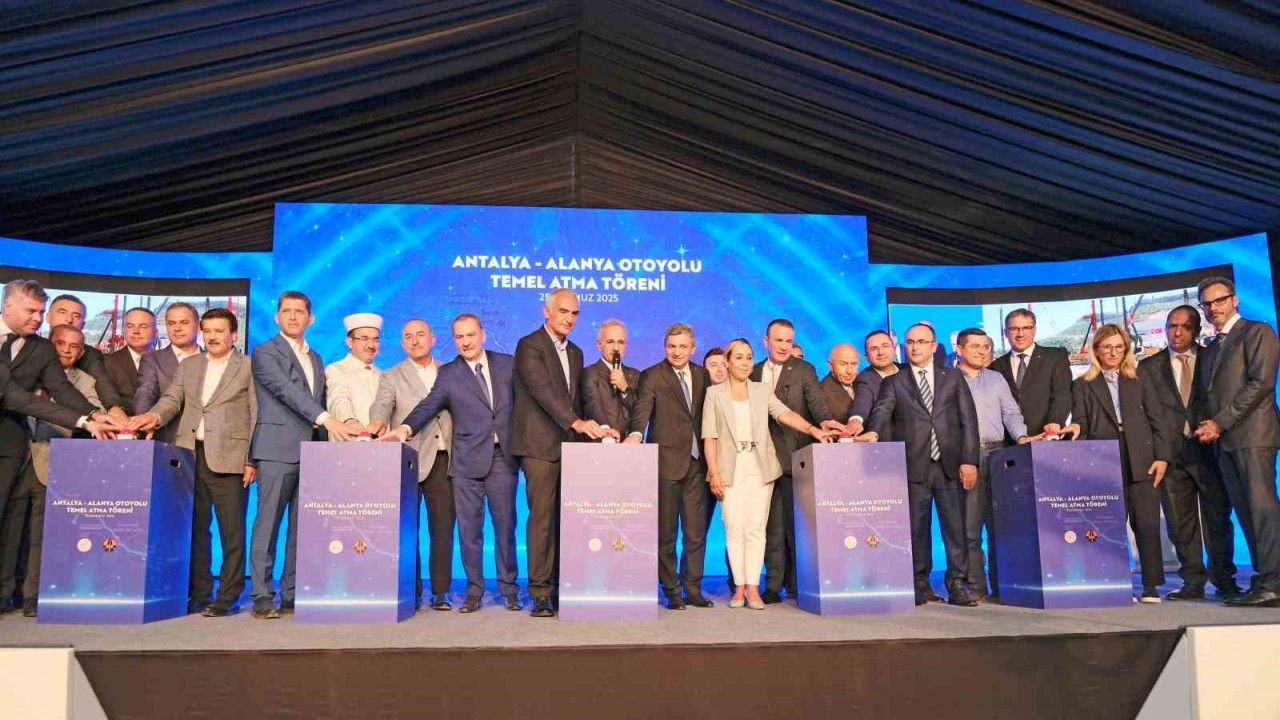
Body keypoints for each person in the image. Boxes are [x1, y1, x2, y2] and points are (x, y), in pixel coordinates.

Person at [382, 314, 521, 614]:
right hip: (466, 461)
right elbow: (428, 405)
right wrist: (404, 429)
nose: (466, 342)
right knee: (469, 532)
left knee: (505, 528)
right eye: (459, 337)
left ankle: (510, 590)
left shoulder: (508, 364)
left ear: (482, 335)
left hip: (502, 457)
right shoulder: (449, 374)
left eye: (470, 335)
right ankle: (474, 592)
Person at [131, 309, 256, 617]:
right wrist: (152, 417)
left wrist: (252, 459)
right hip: (190, 456)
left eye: (219, 331)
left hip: (231, 458)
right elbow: (172, 400)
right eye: (207, 331)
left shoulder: (248, 366)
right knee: (196, 530)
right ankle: (200, 593)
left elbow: (257, 414)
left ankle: (228, 596)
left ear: (234, 335)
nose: (212, 336)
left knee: (232, 532)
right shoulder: (190, 365)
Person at [703, 338, 835, 609]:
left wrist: (813, 430)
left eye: (749, 357)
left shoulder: (761, 391)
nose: (745, 363)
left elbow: (785, 414)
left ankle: (753, 587)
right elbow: (710, 437)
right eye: (738, 357)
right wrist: (714, 472)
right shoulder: (714, 394)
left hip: (759, 467)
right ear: (727, 361)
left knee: (755, 528)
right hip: (728, 470)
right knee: (734, 528)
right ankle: (739, 587)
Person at [248, 291, 354, 619]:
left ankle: (292, 592)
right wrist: (327, 419)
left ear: (311, 318)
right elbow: (286, 391)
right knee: (268, 524)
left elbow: (319, 397)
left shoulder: (317, 358)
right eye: (286, 311)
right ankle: (262, 594)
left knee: (302, 528)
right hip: (276, 449)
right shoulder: (265, 352)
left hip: (312, 452)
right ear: (277, 317)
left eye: (299, 311)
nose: (293, 316)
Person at [862, 322, 980, 607]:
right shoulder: (895, 381)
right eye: (910, 342)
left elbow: (968, 421)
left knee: (956, 528)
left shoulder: (953, 377)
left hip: (950, 465)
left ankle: (957, 584)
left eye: (921, 342)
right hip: (914, 466)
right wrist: (873, 432)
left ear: (934, 346)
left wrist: (969, 460)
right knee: (916, 528)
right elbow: (881, 412)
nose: (915, 347)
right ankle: (918, 583)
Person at [511, 289, 609, 618]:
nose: (569, 318)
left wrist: (602, 426)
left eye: (574, 313)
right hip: (538, 446)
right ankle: (540, 592)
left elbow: (578, 400)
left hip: (571, 447)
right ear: (547, 311)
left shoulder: (577, 352)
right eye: (563, 311)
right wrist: (576, 422)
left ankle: (561, 586)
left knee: (568, 521)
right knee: (541, 519)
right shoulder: (529, 345)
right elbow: (543, 392)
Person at [0, 324, 108, 617]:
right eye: (60, 343)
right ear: (49, 345)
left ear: (81, 352)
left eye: (74, 346)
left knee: (44, 534)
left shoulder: (84, 382)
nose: (66, 350)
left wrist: (95, 419)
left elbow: (93, 414)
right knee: (10, 528)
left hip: (53, 461)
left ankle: (35, 596)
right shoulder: (22, 374)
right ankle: (5, 593)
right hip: (16, 456)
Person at [1139, 305, 1239, 601]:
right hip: (1170, 455)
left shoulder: (1212, 358)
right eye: (1172, 326)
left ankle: (1224, 579)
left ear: (1196, 330)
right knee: (1180, 524)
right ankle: (1192, 582)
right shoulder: (1148, 367)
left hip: (1209, 451)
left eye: (1184, 327)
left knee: (1217, 520)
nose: (1177, 332)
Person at [1065, 323, 1170, 603]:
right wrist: (1075, 428)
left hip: (1142, 456)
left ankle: (1150, 586)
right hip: (1104, 458)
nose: (1113, 352)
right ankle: (1114, 582)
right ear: (1096, 350)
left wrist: (1162, 457)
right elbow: (1081, 420)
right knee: (1108, 524)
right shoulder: (1082, 384)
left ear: (1126, 349)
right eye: (1107, 347)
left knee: (1146, 524)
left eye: (1118, 347)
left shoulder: (1140, 379)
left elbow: (1158, 420)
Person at [1193, 276, 1280, 607]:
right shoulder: (1213, 346)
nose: (1213, 307)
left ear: (1235, 299)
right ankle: (1266, 579)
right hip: (1226, 442)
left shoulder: (1257, 332)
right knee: (1246, 512)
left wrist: (1219, 422)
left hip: (1253, 436)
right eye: (1207, 303)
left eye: (1219, 300)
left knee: (1262, 510)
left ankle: (1274, 580)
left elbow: (1261, 384)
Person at [0, 281, 100, 562]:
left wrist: (95, 415)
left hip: (9, 446)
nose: (38, 318)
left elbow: (62, 389)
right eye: (31, 311)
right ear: (7, 306)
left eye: (42, 312)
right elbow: (16, 397)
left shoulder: (42, 348)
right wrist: (83, 421)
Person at [749, 319, 842, 603]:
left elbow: (816, 403)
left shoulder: (804, 369)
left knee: (794, 527)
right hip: (758, 460)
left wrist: (825, 421)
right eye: (778, 340)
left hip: (793, 458)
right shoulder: (752, 372)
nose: (784, 346)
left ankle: (797, 583)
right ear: (766, 341)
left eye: (789, 341)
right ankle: (773, 585)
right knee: (770, 527)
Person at [368, 319, 456, 611]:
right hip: (408, 460)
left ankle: (441, 592)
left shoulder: (450, 371)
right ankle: (412, 589)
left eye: (420, 335)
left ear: (433, 339)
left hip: (445, 460)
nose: (415, 341)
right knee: (408, 529)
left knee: (442, 529)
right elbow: (381, 406)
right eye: (408, 337)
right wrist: (376, 423)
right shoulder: (392, 376)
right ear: (402, 343)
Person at [626, 323, 714, 609]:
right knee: (667, 533)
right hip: (665, 465)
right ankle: (671, 590)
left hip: (698, 464)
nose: (677, 352)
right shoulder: (652, 375)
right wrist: (636, 434)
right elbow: (642, 410)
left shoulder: (703, 375)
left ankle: (693, 588)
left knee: (696, 533)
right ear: (665, 347)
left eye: (682, 347)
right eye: (672, 346)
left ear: (693, 349)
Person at [954, 328, 1037, 600]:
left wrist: (1022, 437)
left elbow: (1011, 413)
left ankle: (1003, 586)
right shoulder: (948, 380)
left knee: (1001, 526)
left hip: (999, 457)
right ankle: (976, 586)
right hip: (966, 459)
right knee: (970, 529)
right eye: (975, 346)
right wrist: (963, 459)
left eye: (986, 346)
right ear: (959, 349)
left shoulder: (996, 379)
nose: (982, 351)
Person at [990, 309, 1072, 439]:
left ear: (1034, 330)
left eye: (1026, 328)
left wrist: (1054, 422)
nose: (1020, 334)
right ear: (1005, 332)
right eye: (1014, 329)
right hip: (1011, 442)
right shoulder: (995, 366)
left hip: (1048, 436)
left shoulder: (1055, 357)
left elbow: (1062, 393)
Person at [44, 294, 127, 416]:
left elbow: (101, 380)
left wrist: (114, 408)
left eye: (76, 316)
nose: (69, 319)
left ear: (83, 325)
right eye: (62, 312)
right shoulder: (31, 348)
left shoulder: (90, 356)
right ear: (47, 317)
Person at [136, 302, 203, 442]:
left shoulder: (212, 359)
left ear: (198, 326)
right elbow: (145, 395)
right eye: (172, 323)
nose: (177, 328)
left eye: (184, 322)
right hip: (169, 442)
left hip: (210, 446)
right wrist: (143, 423)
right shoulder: (152, 360)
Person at [324, 312, 383, 435]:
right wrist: (350, 421)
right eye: (364, 339)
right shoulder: (336, 370)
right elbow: (338, 398)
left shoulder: (383, 375)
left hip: (382, 444)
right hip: (349, 441)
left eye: (376, 340)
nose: (371, 345)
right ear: (350, 342)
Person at [580, 319, 640, 433]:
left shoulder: (636, 375)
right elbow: (593, 406)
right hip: (601, 439)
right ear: (599, 345)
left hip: (630, 442)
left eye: (621, 342)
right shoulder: (590, 373)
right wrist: (607, 432)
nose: (616, 348)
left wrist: (624, 389)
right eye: (610, 342)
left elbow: (640, 412)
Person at [846, 330, 900, 438]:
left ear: (894, 349)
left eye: (885, 346)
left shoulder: (907, 370)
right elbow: (862, 402)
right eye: (874, 349)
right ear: (867, 357)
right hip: (890, 443)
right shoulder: (865, 379)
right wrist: (855, 420)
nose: (881, 352)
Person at [104, 306, 156, 414]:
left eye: (143, 326)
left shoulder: (166, 362)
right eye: (130, 326)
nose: (136, 331)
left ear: (155, 332)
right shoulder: (108, 362)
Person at [820, 343, 859, 423]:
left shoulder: (864, 381)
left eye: (854, 364)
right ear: (831, 365)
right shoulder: (822, 392)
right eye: (843, 364)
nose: (849, 371)